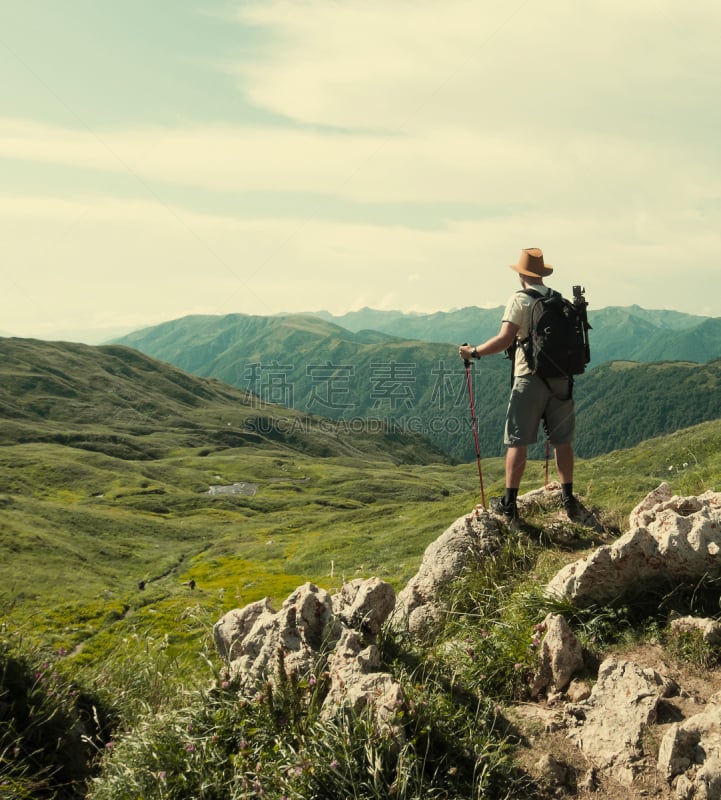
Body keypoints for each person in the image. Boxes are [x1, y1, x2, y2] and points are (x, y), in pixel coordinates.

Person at [458, 247, 580, 524]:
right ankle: (568, 498)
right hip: (562, 379)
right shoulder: (558, 300)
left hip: (530, 379)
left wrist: (474, 352)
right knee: (562, 442)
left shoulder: (520, 300)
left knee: (517, 441)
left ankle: (509, 504)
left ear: (522, 275)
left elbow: (504, 339)